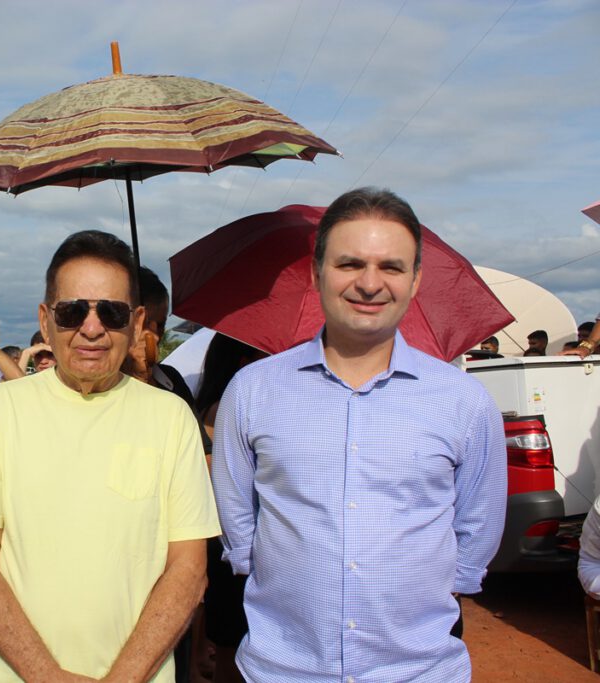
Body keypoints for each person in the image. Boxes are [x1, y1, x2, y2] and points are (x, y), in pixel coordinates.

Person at [212, 187, 507, 683]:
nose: (370, 284)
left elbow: (478, 522)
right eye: (350, 264)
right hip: (282, 668)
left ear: (415, 280)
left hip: (419, 670)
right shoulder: (253, 390)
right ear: (317, 273)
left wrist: (437, 587)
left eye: (391, 267)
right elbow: (236, 511)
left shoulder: (464, 401)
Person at [0, 230, 221, 681]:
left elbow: (188, 570)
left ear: (137, 321)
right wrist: (48, 676)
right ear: (46, 320)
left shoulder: (171, 419)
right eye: (72, 312)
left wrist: (123, 677)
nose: (92, 328)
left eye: (111, 312)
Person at [195, 334, 266, 683]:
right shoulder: (229, 406)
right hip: (233, 544)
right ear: (243, 363)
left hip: (224, 543)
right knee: (233, 647)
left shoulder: (213, 403)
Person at [123, 266, 195, 408]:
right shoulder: (99, 385)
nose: (154, 335)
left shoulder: (171, 379)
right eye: (144, 324)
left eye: (160, 325)